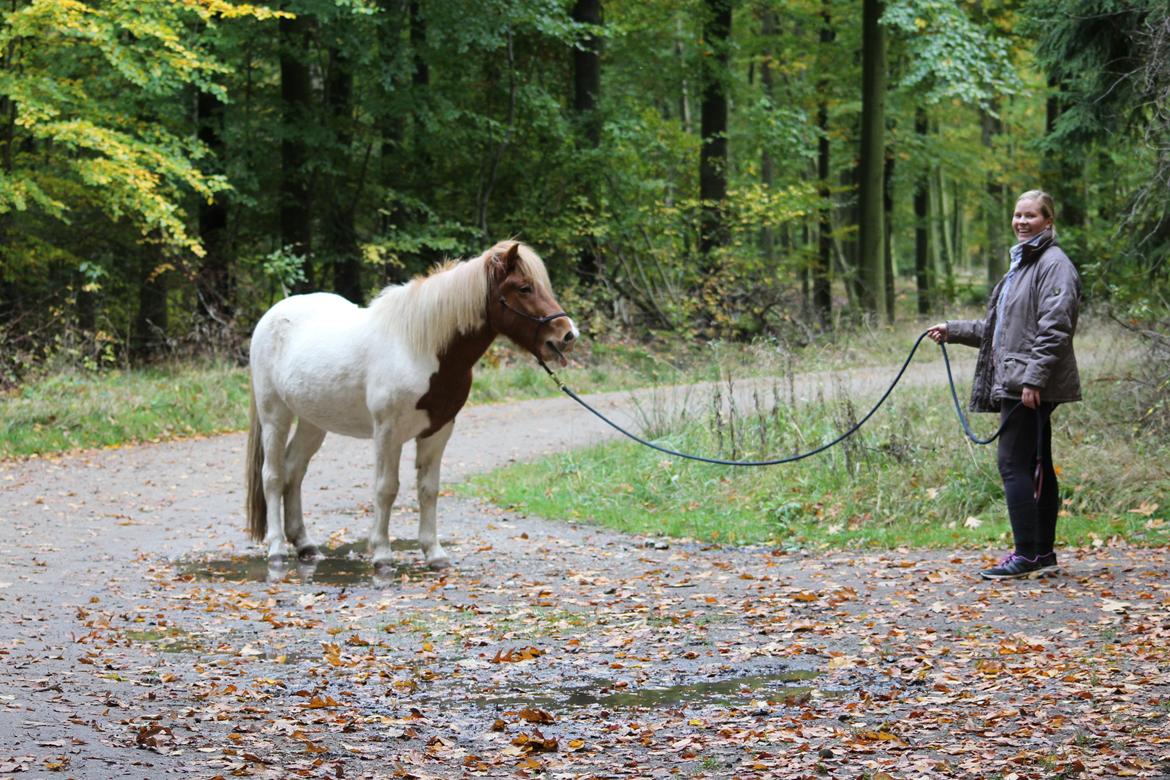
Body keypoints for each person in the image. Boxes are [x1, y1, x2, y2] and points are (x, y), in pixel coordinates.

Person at [926, 190, 1081, 580]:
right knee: (1034, 464)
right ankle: (1041, 554)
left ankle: (1027, 555)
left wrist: (1033, 380)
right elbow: (1002, 331)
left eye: (1031, 215)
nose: (1022, 222)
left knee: (1013, 464)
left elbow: (1055, 329)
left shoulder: (1053, 265)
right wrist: (954, 330)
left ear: (1049, 221)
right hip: (1020, 379)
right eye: (1017, 215)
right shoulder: (1024, 265)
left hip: (1025, 383)